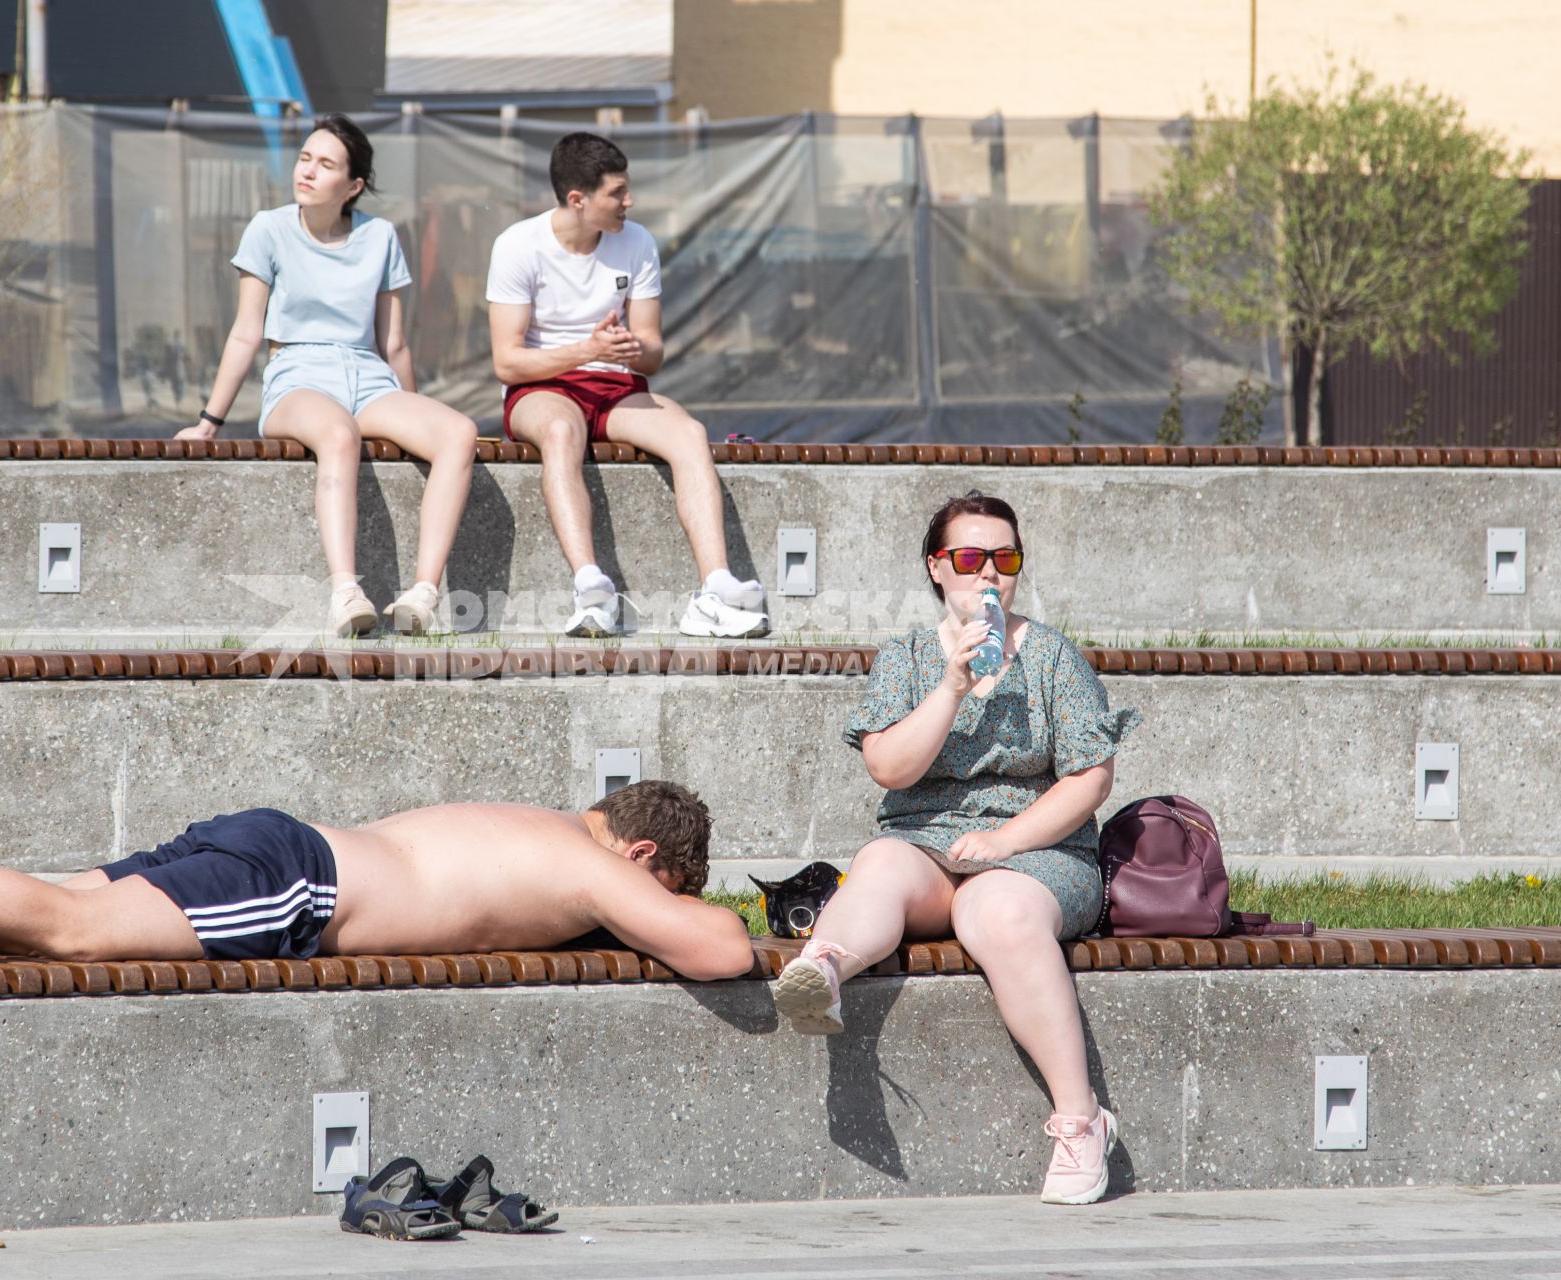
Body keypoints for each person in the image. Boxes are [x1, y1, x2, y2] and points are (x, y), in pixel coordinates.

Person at [769, 491, 1141, 1206]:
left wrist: (1003, 840)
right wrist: (951, 687)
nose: (990, 575)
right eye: (971, 559)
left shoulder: (1053, 656)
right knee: (879, 864)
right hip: (926, 842)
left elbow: (1090, 778)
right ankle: (824, 970)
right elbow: (888, 768)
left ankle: (1082, 1122)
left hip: (1040, 850)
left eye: (1006, 558)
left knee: (994, 913)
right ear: (938, 568)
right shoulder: (909, 657)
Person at [0, 781, 757, 985]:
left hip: (279, 843)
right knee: (70, 929)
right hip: (296, 887)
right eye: (660, 887)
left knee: (44, 915)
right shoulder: (593, 867)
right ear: (645, 859)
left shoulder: (541, 822)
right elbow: (718, 949)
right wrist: (704, 912)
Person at [177, 114, 477, 638]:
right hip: (298, 374)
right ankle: (346, 592)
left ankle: (424, 594)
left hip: (369, 376)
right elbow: (247, 333)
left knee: (458, 432)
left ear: (354, 185)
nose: (308, 171)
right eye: (305, 158)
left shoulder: (380, 236)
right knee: (339, 434)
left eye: (326, 164)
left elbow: (395, 341)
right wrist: (209, 422)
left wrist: (411, 414)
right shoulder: (268, 229)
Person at [486, 132, 769, 640]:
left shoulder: (637, 241)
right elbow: (508, 364)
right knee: (560, 433)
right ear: (578, 199)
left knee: (689, 433)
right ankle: (591, 589)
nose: (629, 202)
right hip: (544, 388)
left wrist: (630, 350)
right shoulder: (516, 245)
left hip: (616, 387)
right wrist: (586, 351)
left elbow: (654, 353)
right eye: (617, 193)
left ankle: (715, 589)